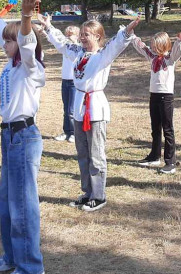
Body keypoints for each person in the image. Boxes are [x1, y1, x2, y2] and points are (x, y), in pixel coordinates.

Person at [38, 12, 140, 212]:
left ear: (97, 37)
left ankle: (99, 196)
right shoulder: (78, 53)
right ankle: (87, 193)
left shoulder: (103, 56)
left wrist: (127, 31)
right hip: (79, 107)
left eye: (87, 34)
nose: (83, 37)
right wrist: (49, 27)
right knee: (83, 154)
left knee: (96, 154)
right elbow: (61, 43)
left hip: (95, 110)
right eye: (82, 33)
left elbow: (117, 44)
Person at [0, 0, 46, 274]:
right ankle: (11, 258)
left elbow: (26, 41)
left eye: (10, 41)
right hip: (8, 136)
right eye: (6, 41)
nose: (5, 44)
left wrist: (26, 15)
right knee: (7, 203)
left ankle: (31, 266)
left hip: (24, 136)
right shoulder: (11, 61)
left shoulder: (31, 66)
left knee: (22, 204)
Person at [131, 20, 181, 174]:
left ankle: (170, 162)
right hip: (154, 95)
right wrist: (131, 34)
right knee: (155, 127)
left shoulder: (170, 58)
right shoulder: (152, 57)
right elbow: (141, 47)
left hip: (166, 97)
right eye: (152, 44)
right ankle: (154, 156)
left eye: (155, 45)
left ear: (163, 45)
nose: (152, 47)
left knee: (167, 129)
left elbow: (179, 49)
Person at [46, 25, 80, 143]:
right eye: (67, 35)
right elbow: (56, 39)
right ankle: (67, 131)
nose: (69, 37)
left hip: (74, 82)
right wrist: (46, 29)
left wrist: (74, 41)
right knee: (66, 109)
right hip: (65, 80)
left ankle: (74, 133)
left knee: (72, 110)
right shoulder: (66, 47)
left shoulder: (78, 48)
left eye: (72, 34)